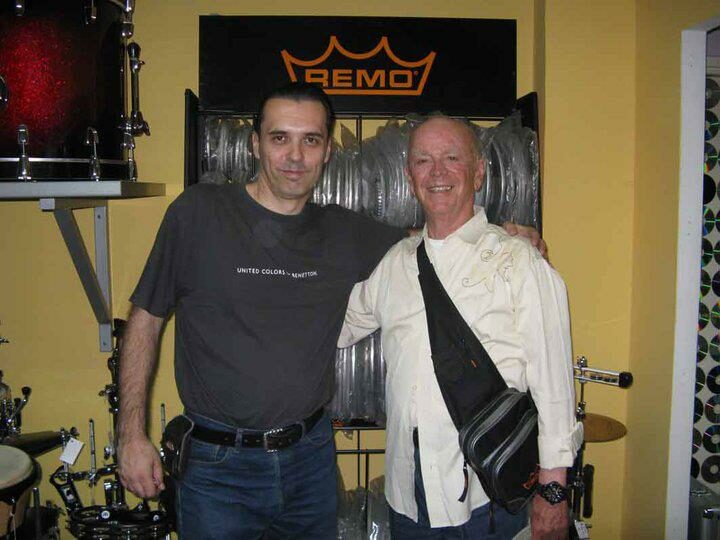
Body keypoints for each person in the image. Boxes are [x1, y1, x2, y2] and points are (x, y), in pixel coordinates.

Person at [116, 82, 546, 539]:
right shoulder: (199, 214)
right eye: (280, 138)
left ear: (326, 153)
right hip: (217, 467)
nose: (294, 156)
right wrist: (130, 434)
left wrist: (504, 236)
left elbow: (431, 241)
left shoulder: (343, 232)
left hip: (309, 462)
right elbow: (145, 320)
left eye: (310, 140)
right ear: (255, 144)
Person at [339, 115, 582, 539]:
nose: (437, 172)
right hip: (408, 495)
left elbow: (554, 386)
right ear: (409, 177)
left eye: (452, 158)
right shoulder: (395, 264)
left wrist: (553, 492)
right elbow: (336, 327)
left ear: (479, 172)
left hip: (487, 496)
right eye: (423, 160)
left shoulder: (518, 261)